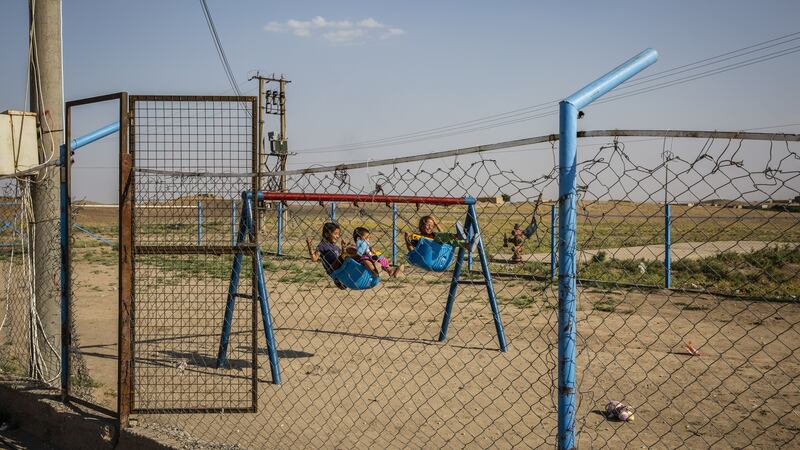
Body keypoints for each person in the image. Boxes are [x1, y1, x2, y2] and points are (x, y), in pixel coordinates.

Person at [306, 222, 350, 289]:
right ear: (327, 234)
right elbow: (314, 259)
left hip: (340, 266)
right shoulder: (322, 246)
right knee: (342, 255)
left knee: (350, 250)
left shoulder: (336, 247)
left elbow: (343, 256)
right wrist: (309, 246)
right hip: (332, 269)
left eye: (338, 234)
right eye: (335, 234)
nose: (338, 236)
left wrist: (343, 248)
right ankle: (337, 279)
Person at [404, 215, 470, 251]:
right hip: (426, 254)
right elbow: (411, 250)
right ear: (421, 225)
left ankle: (467, 245)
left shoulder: (433, 234)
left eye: (432, 226)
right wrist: (406, 238)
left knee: (449, 241)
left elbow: (442, 233)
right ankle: (457, 235)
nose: (430, 227)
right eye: (427, 225)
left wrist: (436, 222)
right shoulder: (417, 236)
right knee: (439, 237)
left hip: (439, 250)